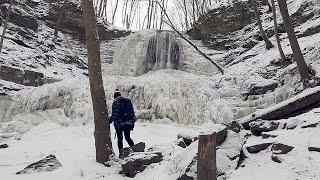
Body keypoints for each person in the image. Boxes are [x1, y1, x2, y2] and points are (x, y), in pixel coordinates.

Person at [108, 89, 136, 155]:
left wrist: (109, 121)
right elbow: (132, 112)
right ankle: (135, 150)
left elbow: (115, 113)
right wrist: (132, 122)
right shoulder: (128, 101)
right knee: (127, 137)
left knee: (120, 139)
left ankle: (121, 153)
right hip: (128, 123)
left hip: (119, 124)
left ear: (114, 96)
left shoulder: (116, 102)